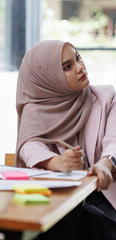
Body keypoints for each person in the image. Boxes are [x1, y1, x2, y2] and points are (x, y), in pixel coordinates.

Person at [15, 40, 116, 239]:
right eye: (67, 67)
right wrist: (60, 162)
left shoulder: (107, 96)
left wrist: (106, 163)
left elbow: (114, 138)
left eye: (77, 58)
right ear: (48, 78)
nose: (80, 67)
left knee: (88, 219)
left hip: (104, 195)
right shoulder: (35, 109)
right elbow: (29, 145)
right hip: (58, 198)